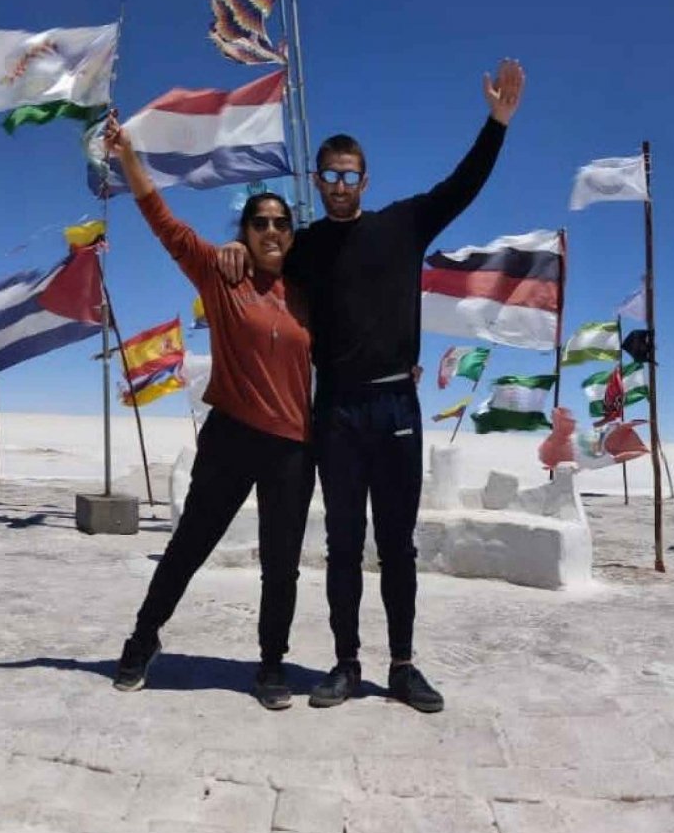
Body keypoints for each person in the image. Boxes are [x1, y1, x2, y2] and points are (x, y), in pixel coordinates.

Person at [218, 59, 525, 712]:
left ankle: (404, 665)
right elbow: (259, 257)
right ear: (317, 181)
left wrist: (496, 124)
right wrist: (235, 250)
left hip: (395, 406)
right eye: (328, 175)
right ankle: (346, 663)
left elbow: (462, 185)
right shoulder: (302, 246)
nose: (338, 185)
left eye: (349, 175)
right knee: (343, 545)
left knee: (397, 543)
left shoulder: (402, 224)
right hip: (336, 407)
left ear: (364, 179)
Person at [104, 110, 315, 711]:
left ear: (291, 234)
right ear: (246, 231)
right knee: (189, 546)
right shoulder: (223, 278)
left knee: (282, 565)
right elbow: (163, 222)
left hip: (292, 448)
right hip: (231, 438)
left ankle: (271, 665)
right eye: (260, 222)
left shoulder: (307, 291)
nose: (272, 231)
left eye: (281, 223)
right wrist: (127, 155)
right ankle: (142, 640)